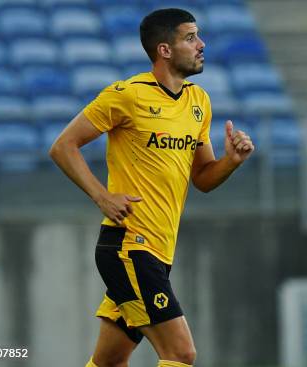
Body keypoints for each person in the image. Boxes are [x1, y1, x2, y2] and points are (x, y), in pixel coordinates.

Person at [49, 8, 254, 367]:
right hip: (129, 247)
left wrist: (231, 162)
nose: (201, 44)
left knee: (109, 361)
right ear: (165, 50)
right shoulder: (126, 95)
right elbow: (63, 146)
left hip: (159, 252)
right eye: (190, 37)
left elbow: (203, 177)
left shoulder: (198, 102)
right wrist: (102, 196)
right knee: (180, 352)